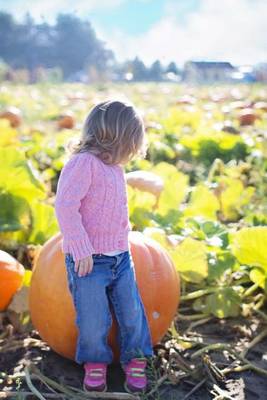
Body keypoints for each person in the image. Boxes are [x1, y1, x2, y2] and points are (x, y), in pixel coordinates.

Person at [54, 100, 154, 394]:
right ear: (118, 139)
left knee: (131, 311)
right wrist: (80, 247)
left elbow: (108, 208)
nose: (132, 153)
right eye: (132, 145)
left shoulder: (115, 167)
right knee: (93, 316)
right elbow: (66, 205)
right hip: (88, 259)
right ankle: (95, 363)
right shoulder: (84, 163)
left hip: (120, 257)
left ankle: (135, 359)